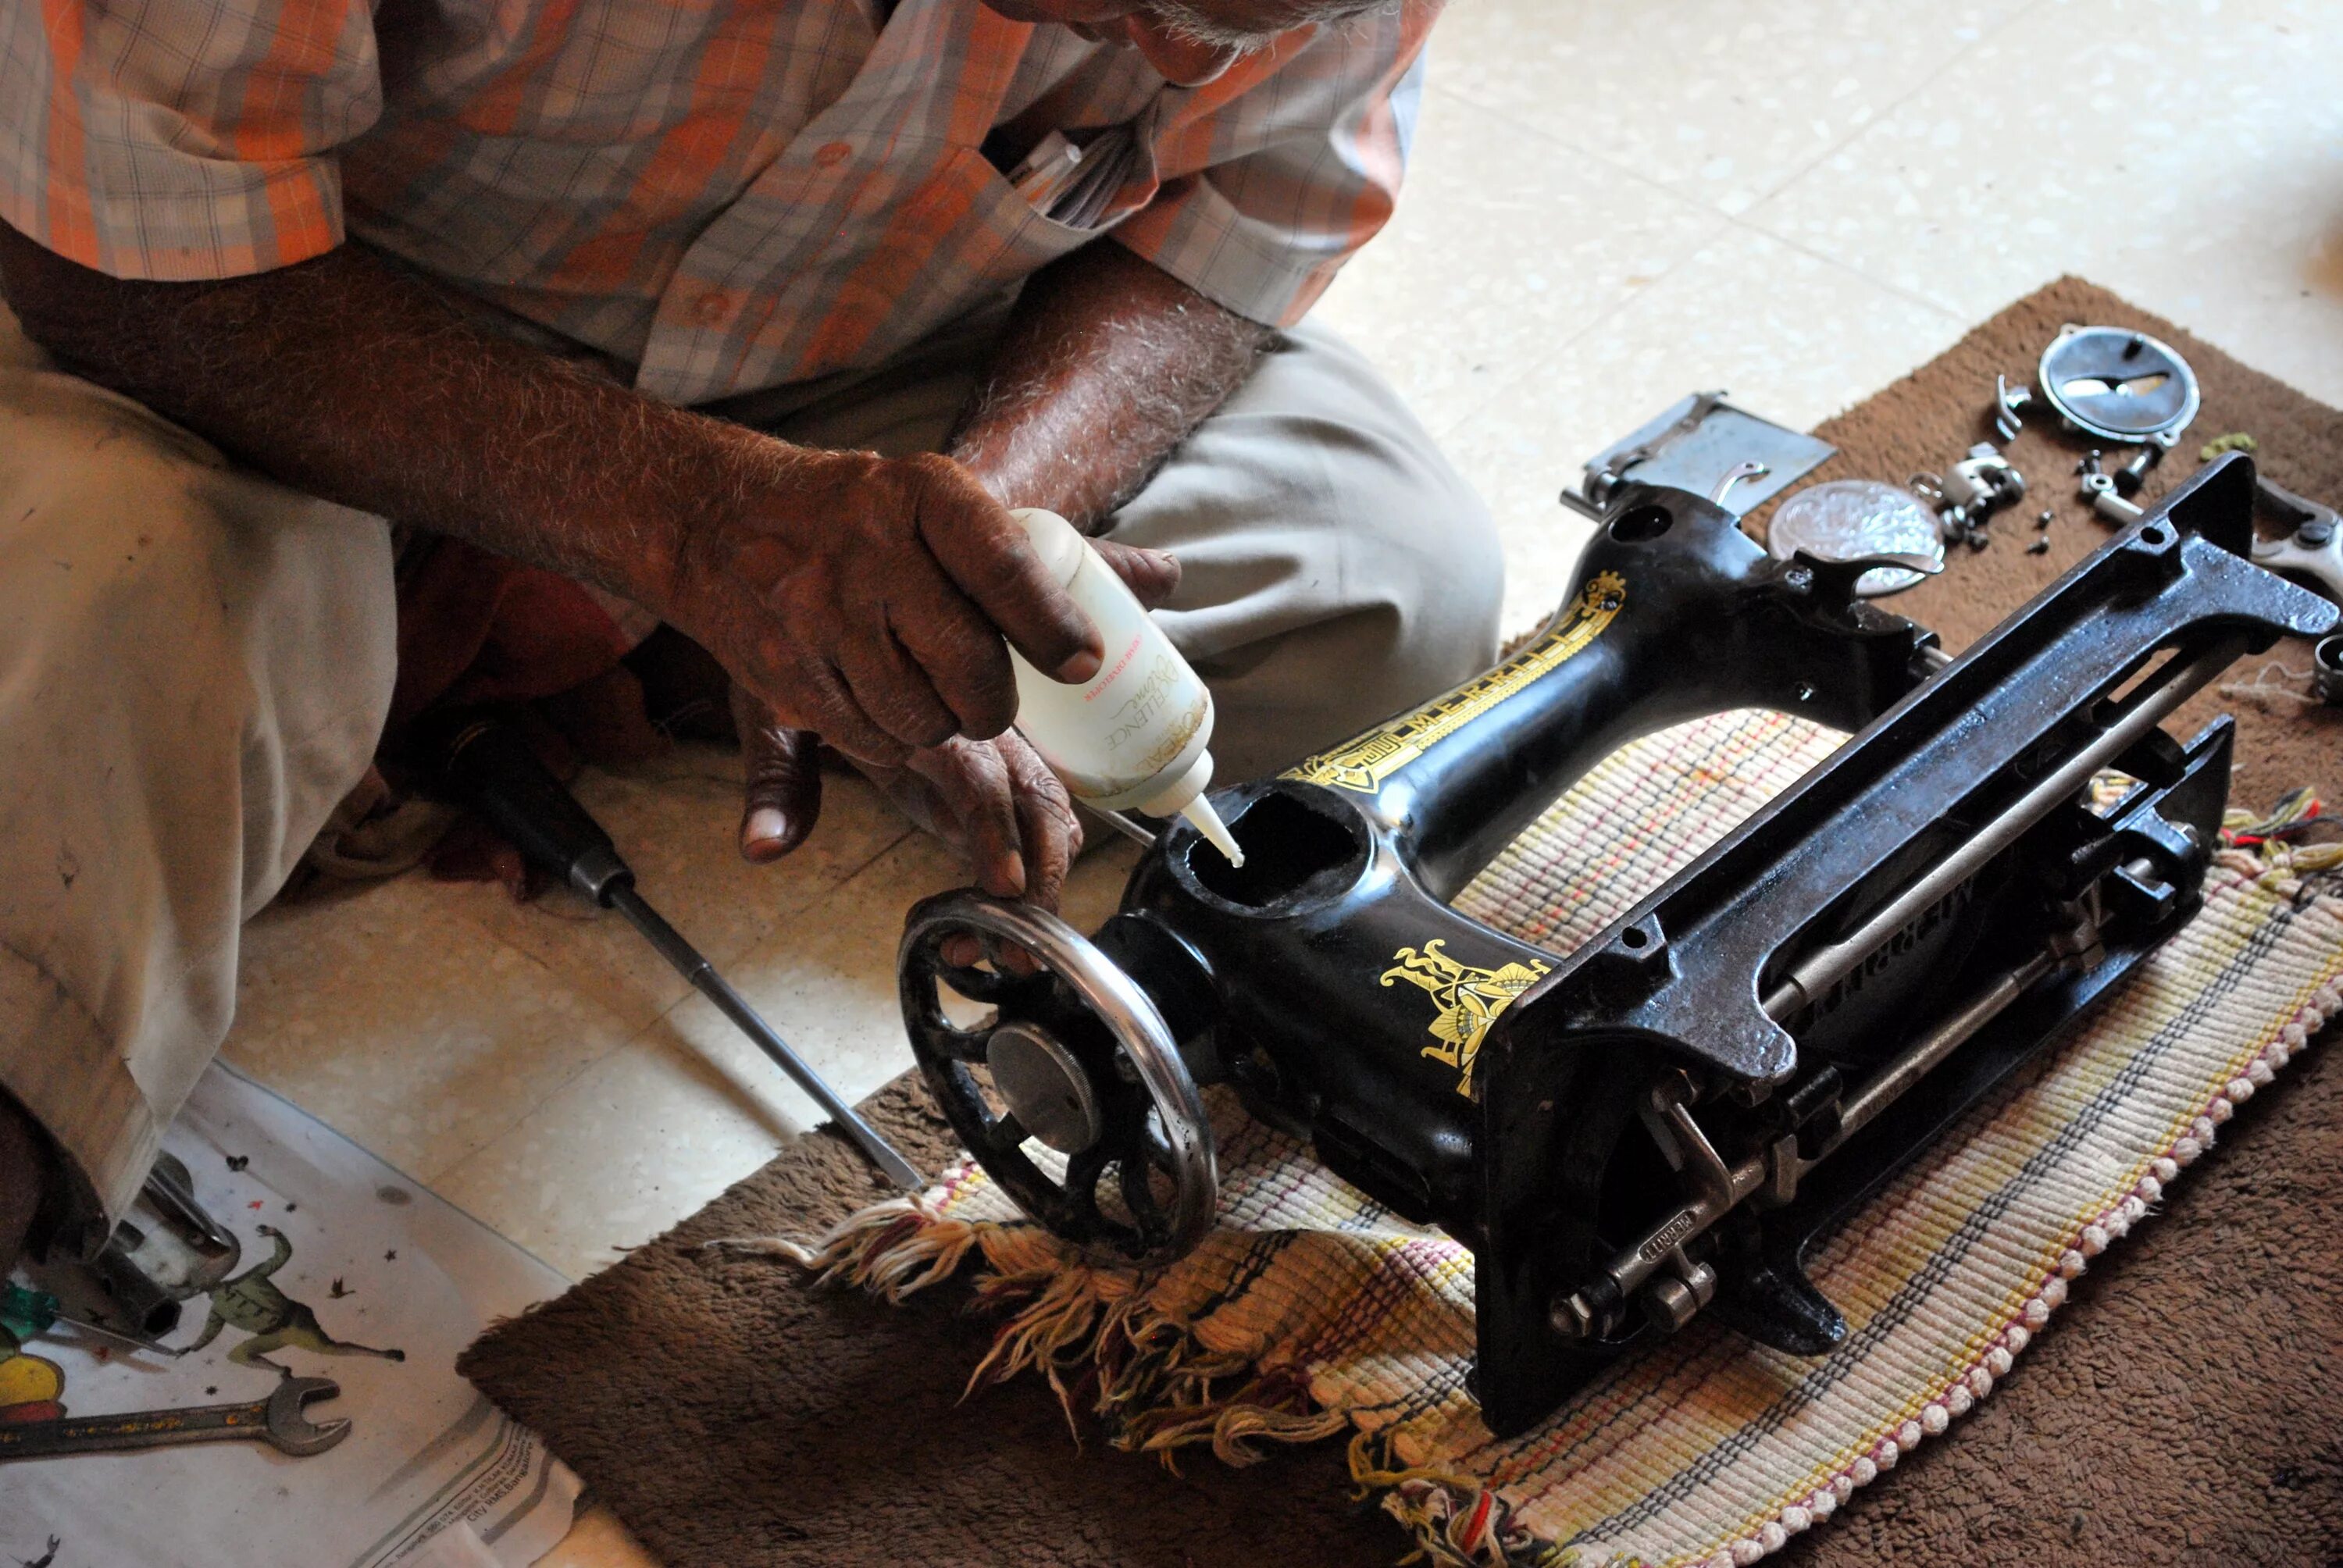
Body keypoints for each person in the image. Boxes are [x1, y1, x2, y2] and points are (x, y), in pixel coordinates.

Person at [0, 0, 1503, 1272]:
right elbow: (118, 246)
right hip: (292, 331)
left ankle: (589, 647)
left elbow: (1240, 214)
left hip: (864, 356)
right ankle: (507, 617)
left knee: (1386, 584)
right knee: (98, 583)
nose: (1184, 67)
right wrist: (685, 527)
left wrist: (929, 552)